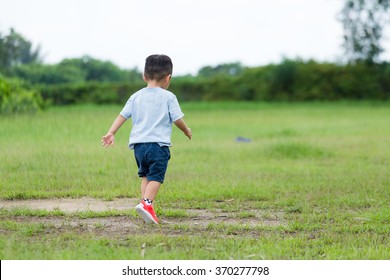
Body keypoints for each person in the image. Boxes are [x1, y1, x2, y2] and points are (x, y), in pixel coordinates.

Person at [101, 54, 192, 224]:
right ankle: (147, 204)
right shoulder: (168, 97)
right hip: (158, 146)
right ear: (168, 78)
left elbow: (122, 116)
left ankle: (146, 208)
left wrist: (111, 132)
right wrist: (186, 131)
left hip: (139, 147)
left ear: (144, 76)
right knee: (156, 177)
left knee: (146, 176)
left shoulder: (135, 96)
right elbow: (177, 119)